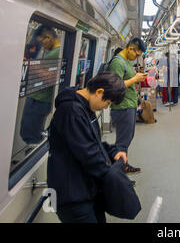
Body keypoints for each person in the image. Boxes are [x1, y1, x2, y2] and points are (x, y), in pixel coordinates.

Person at [47, 72, 128, 223]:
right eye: (108, 103)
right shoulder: (71, 111)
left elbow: (93, 142)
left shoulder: (85, 108)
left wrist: (113, 152)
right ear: (99, 92)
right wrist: (114, 180)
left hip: (86, 188)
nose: (105, 107)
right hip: (72, 194)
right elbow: (87, 154)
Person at [109, 38, 147, 174]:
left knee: (126, 139)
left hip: (128, 105)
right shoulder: (118, 62)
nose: (136, 57)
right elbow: (115, 86)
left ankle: (123, 165)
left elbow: (125, 80)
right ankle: (118, 175)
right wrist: (135, 79)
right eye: (136, 54)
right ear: (130, 48)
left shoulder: (126, 62)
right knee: (122, 143)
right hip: (122, 107)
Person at [20, 25, 61, 144]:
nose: (42, 45)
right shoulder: (51, 52)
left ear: (48, 37)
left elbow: (50, 77)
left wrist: (28, 63)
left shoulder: (56, 53)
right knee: (29, 131)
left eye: (42, 41)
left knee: (30, 135)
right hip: (37, 99)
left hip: (39, 100)